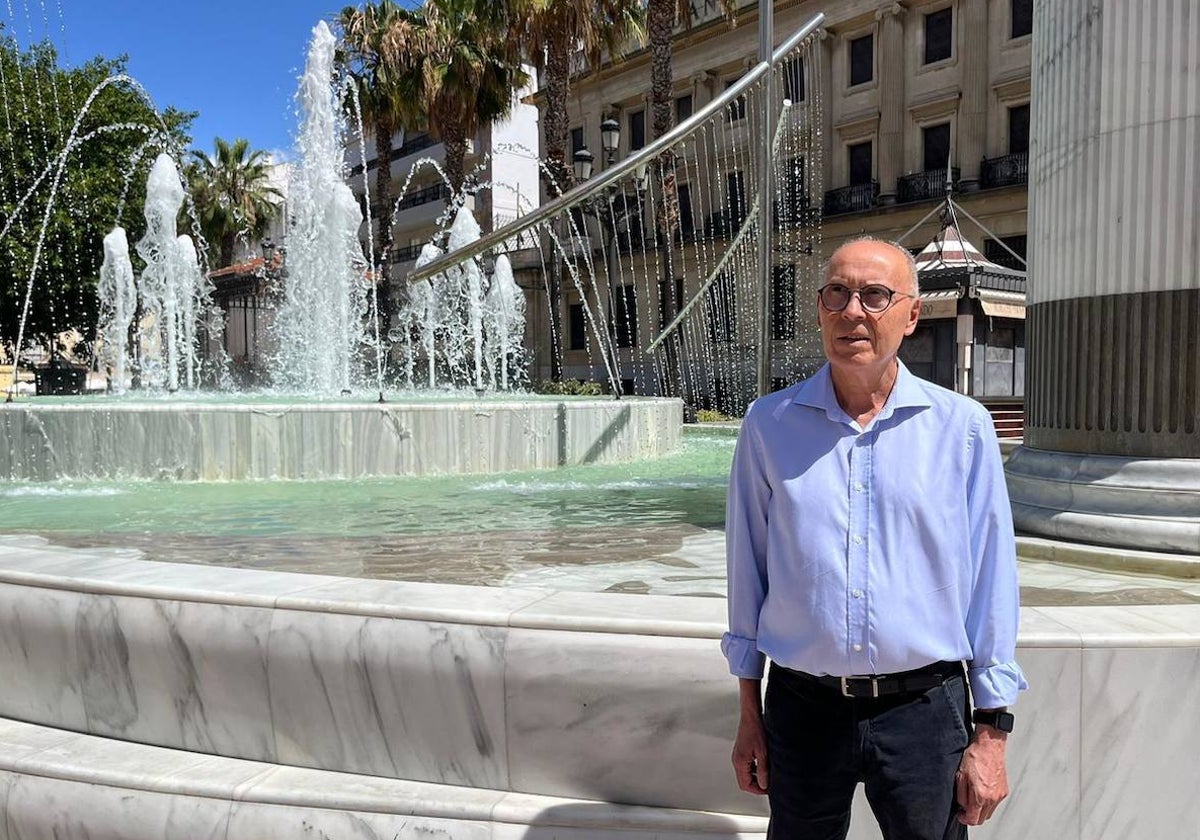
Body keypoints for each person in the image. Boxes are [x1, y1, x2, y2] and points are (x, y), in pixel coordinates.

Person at [722, 238, 1026, 839]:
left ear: (911, 315)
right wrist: (748, 712)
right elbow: (746, 571)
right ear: (819, 308)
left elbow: (993, 579)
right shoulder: (768, 425)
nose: (852, 311)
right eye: (837, 292)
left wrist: (991, 732)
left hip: (924, 708)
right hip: (802, 708)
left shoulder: (961, 429)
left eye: (874, 295)